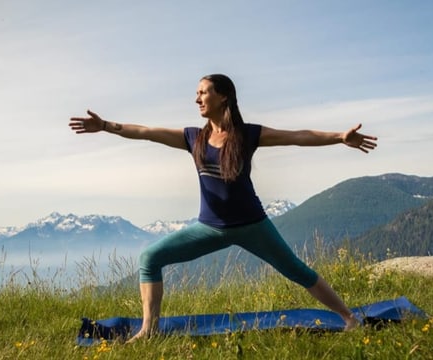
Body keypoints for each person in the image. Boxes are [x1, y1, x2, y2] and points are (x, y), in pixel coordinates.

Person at [69, 74, 378, 342]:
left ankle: (350, 318)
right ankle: (149, 329)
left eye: (203, 92)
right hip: (209, 228)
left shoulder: (247, 134)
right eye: (197, 93)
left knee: (297, 271)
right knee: (150, 257)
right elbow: (146, 132)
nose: (197, 99)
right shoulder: (193, 137)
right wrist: (107, 126)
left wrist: (339, 137)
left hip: (252, 225)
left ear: (223, 96)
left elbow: (297, 136)